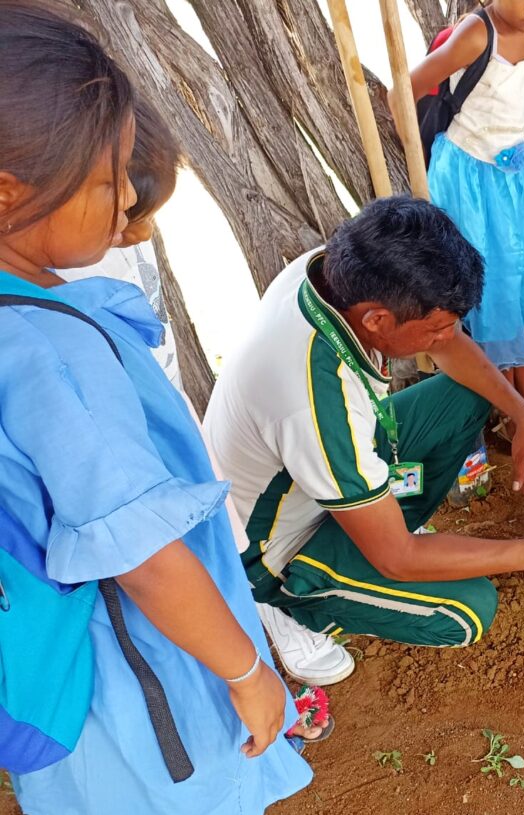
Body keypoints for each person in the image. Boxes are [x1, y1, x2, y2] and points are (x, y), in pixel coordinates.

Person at [0, 4, 309, 812]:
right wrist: (247, 671)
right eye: (106, 179)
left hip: (51, 668)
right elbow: (140, 553)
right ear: (8, 190)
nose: (122, 203)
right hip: (137, 680)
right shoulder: (50, 352)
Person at [203, 196, 524, 684]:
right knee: (468, 610)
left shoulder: (336, 273)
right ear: (377, 321)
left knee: (468, 394)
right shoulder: (313, 400)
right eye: (434, 329)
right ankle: (292, 605)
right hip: (276, 539)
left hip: (314, 472)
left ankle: (375, 521)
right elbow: (398, 557)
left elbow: (452, 348)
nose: (447, 338)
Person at [406, 0, 524, 440]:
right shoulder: (477, 34)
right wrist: (413, 159)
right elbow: (405, 89)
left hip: (512, 182)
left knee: (520, 283)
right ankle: (509, 408)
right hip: (468, 179)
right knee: (490, 287)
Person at [58, 95, 183, 386]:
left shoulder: (113, 216)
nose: (144, 235)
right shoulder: (68, 275)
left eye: (150, 219)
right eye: (129, 219)